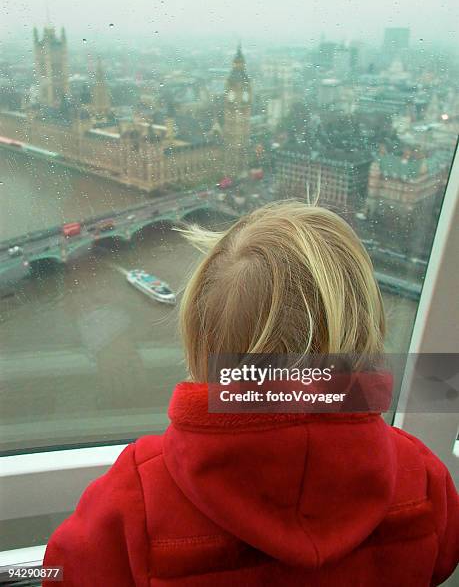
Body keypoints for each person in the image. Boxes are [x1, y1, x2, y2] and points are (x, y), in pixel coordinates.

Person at [44, 202, 458, 586]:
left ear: (202, 347)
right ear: (366, 337)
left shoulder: (137, 495)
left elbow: (65, 573)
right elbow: (442, 560)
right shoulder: (420, 474)